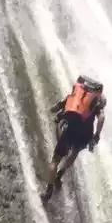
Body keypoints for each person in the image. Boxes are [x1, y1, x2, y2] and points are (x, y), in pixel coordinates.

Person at [42, 74, 107, 202]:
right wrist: (97, 135)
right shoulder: (99, 100)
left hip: (71, 129)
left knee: (55, 159)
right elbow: (102, 117)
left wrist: (54, 112)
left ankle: (48, 189)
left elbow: (57, 107)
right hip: (86, 134)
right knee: (75, 152)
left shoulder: (77, 96)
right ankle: (60, 174)